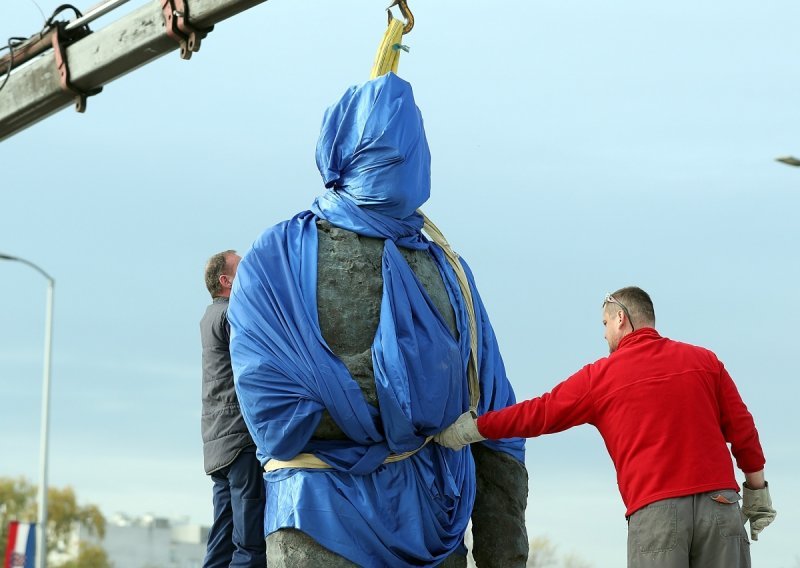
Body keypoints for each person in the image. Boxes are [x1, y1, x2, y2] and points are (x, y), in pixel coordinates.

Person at [435, 286, 777, 568]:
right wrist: (756, 490)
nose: (604, 334)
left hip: (656, 514)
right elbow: (742, 427)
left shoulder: (600, 377)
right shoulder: (705, 361)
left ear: (621, 319)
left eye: (604, 324)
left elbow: (539, 412)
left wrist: (473, 428)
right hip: (721, 505)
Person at [200, 250, 266, 568]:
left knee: (221, 542)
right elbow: (258, 363)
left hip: (216, 443)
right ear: (226, 281)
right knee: (250, 543)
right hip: (239, 440)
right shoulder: (231, 316)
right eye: (243, 268)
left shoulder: (209, 316)